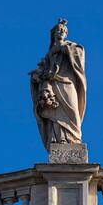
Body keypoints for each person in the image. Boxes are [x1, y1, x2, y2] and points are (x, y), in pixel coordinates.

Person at [29, 19, 86, 150]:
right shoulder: (49, 54)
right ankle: (58, 140)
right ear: (53, 33)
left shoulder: (71, 46)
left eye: (63, 31)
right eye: (58, 30)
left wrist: (63, 49)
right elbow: (44, 71)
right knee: (55, 115)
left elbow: (79, 55)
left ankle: (73, 139)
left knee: (72, 113)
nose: (61, 32)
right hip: (53, 87)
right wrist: (37, 76)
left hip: (67, 84)